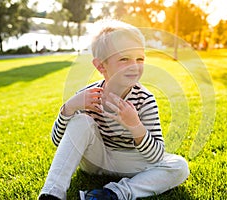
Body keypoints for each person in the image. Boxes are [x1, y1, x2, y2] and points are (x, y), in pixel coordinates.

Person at [38, 18, 189, 200]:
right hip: (95, 160)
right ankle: (52, 193)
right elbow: (57, 141)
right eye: (124, 59)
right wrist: (69, 108)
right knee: (81, 121)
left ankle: (113, 193)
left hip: (131, 163)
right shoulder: (87, 97)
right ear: (101, 66)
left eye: (139, 58)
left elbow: (156, 156)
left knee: (179, 166)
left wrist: (135, 126)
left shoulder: (144, 100)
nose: (134, 65)